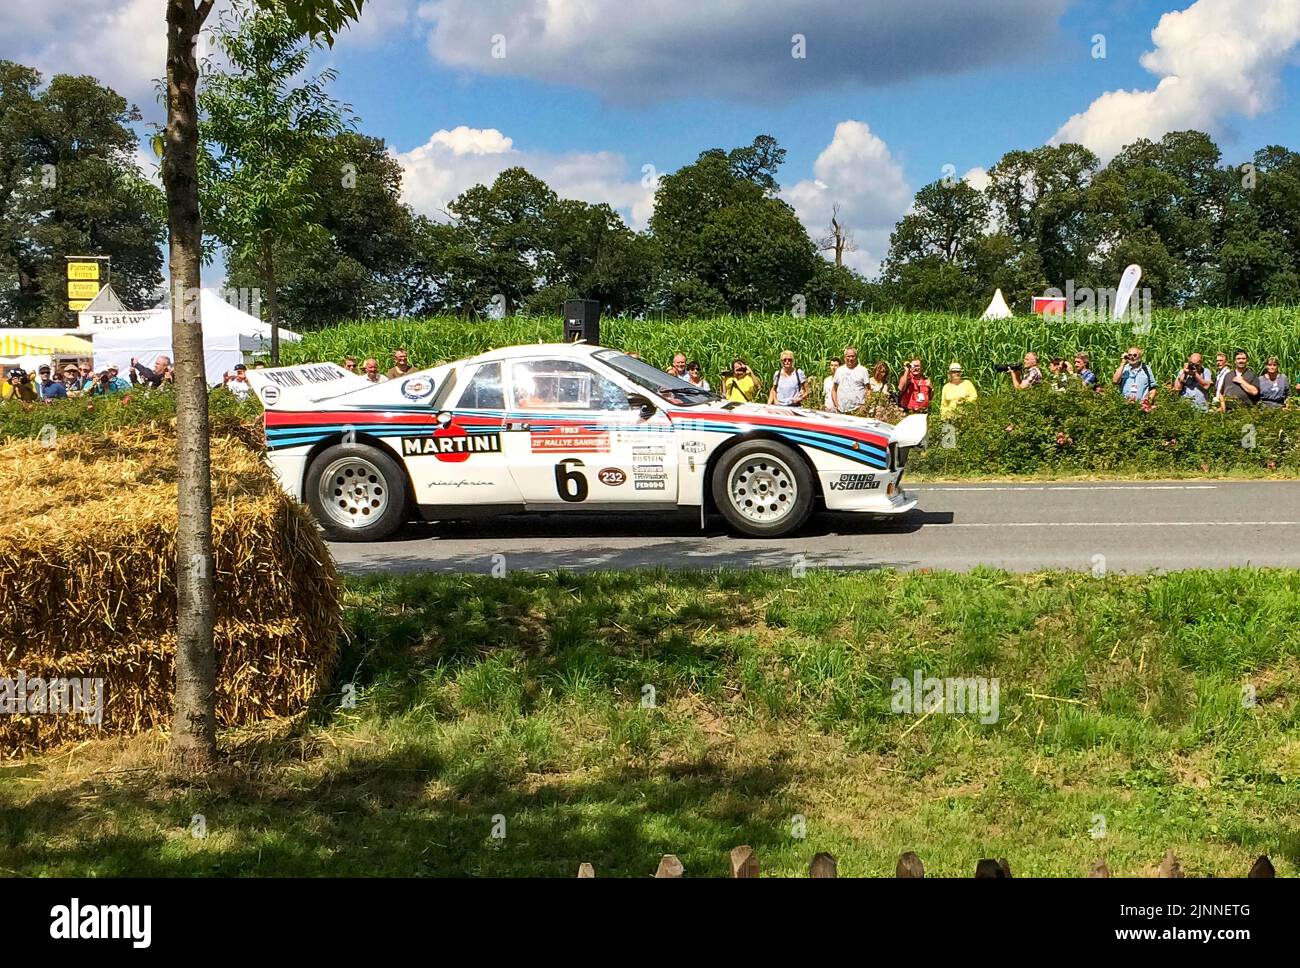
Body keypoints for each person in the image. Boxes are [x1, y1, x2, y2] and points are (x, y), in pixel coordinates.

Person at [831, 347, 871, 413]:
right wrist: (837, 406)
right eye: (848, 356)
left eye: (853, 356)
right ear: (844, 357)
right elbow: (834, 389)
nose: (850, 359)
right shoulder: (839, 370)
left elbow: (868, 390)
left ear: (856, 357)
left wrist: (865, 406)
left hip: (858, 411)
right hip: (841, 411)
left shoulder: (863, 370)